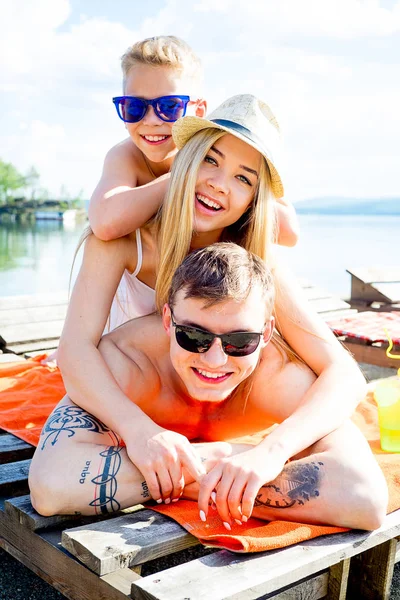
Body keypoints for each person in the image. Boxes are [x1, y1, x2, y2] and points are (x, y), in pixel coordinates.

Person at [45, 93, 370, 517]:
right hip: (140, 384)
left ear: (255, 198)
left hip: (224, 402)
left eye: (244, 178)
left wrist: (269, 452)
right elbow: (75, 349)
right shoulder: (126, 240)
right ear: (185, 161)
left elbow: (342, 370)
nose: (219, 183)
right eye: (210, 161)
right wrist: (140, 432)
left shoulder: (257, 258)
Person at [29, 243, 388, 531]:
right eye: (194, 336)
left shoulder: (277, 377)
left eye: (240, 341)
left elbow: (365, 498)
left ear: (265, 334)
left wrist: (271, 452)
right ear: (169, 321)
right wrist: (228, 459)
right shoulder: (127, 364)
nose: (214, 361)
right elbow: (50, 486)